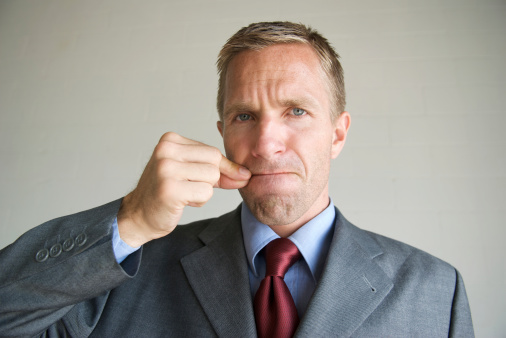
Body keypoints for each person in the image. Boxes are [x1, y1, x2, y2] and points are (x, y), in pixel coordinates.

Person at [0, 21, 473, 337]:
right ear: (224, 133)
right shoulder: (122, 272)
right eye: (245, 115)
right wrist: (130, 221)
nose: (266, 143)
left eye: (297, 111)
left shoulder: (436, 290)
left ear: (337, 133)